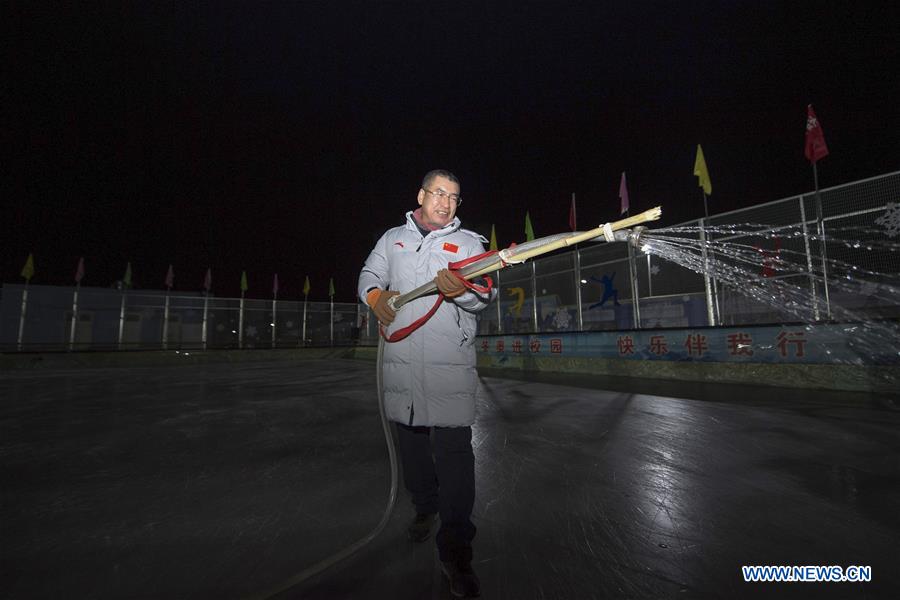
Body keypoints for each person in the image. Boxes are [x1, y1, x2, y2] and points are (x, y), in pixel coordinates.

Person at [358, 169, 496, 598]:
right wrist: (375, 297)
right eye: (439, 193)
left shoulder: (471, 244)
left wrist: (462, 291)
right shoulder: (392, 239)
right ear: (421, 194)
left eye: (454, 197)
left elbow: (484, 294)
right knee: (412, 447)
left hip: (448, 366)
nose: (446, 202)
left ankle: (457, 550)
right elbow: (369, 275)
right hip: (400, 365)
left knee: (455, 457)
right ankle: (424, 507)